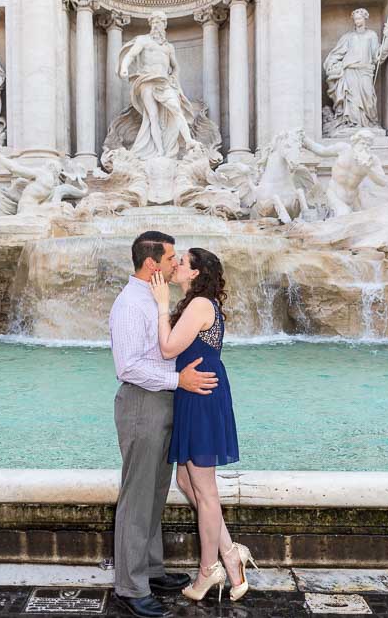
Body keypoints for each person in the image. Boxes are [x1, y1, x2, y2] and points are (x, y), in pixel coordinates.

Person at [109, 231, 220, 618]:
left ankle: (151, 570)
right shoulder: (129, 305)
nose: (176, 264)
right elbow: (128, 367)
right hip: (143, 402)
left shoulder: (156, 299)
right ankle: (130, 585)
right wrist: (179, 381)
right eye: (172, 257)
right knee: (137, 495)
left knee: (156, 491)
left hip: (166, 400)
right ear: (153, 263)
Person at [149, 248, 257, 603]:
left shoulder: (198, 306)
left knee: (205, 491)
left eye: (182, 262)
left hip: (201, 396)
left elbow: (167, 349)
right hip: (197, 392)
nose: (176, 264)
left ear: (195, 274)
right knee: (185, 479)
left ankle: (207, 571)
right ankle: (230, 552)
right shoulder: (199, 303)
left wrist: (162, 303)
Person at [117, 11, 198, 159]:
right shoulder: (143, 40)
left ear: (164, 25)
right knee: (152, 116)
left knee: (176, 109)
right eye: (153, 22)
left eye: (159, 22)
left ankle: (188, 141)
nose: (155, 25)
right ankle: (160, 151)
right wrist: (124, 67)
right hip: (146, 81)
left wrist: (174, 77)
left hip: (164, 82)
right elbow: (131, 55)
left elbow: (176, 67)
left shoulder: (169, 47)